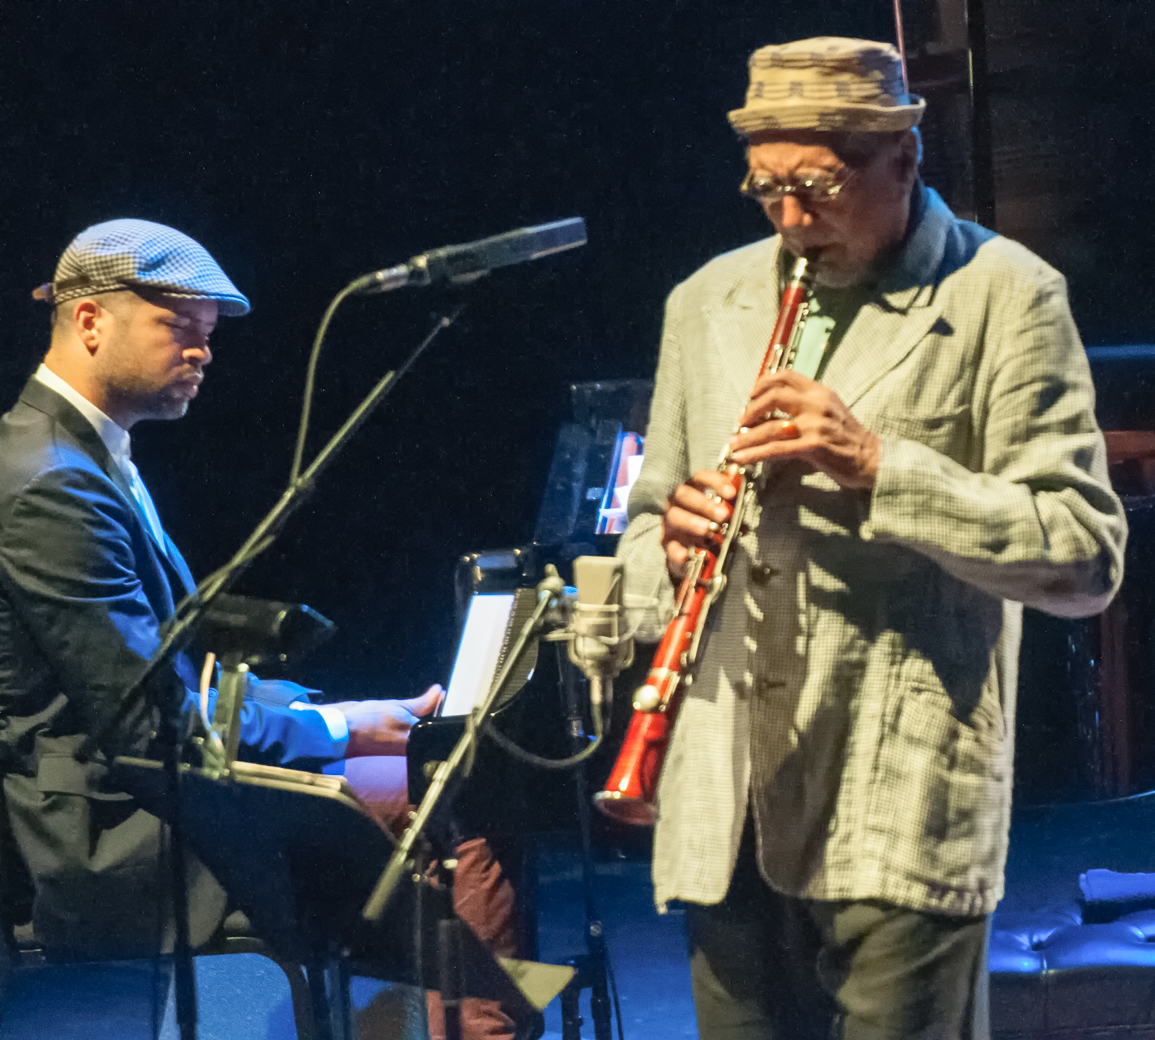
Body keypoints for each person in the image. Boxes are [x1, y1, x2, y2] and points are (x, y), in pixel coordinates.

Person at [616, 37, 1127, 1039]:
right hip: (728, 800)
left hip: (899, 796)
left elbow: (1084, 555)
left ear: (906, 158)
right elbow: (643, 529)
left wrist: (879, 466)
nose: (793, 222)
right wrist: (667, 553)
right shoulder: (706, 304)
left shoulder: (1005, 295)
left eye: (818, 187)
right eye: (768, 191)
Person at [0, 218, 445, 960]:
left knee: (420, 802)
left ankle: (451, 1002)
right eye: (178, 327)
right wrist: (341, 731)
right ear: (88, 321)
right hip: (123, 837)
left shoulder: (86, 457)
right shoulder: (50, 484)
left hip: (167, 798)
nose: (203, 351)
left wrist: (330, 714)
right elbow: (149, 723)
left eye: (208, 332)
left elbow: (179, 676)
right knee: (410, 841)